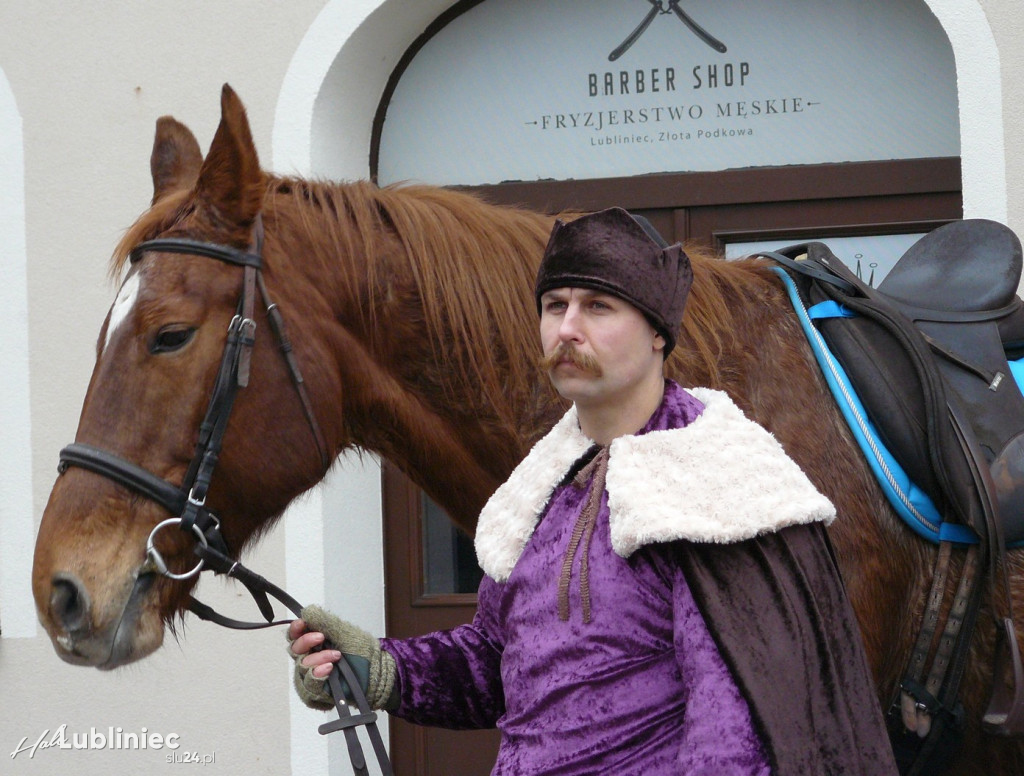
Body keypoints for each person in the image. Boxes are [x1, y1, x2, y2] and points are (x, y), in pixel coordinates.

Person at [288, 207, 897, 774]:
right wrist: (380, 667)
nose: (568, 328)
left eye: (599, 306)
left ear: (658, 332)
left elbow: (733, 734)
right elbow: (499, 664)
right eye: (555, 305)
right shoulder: (544, 485)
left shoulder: (714, 487)